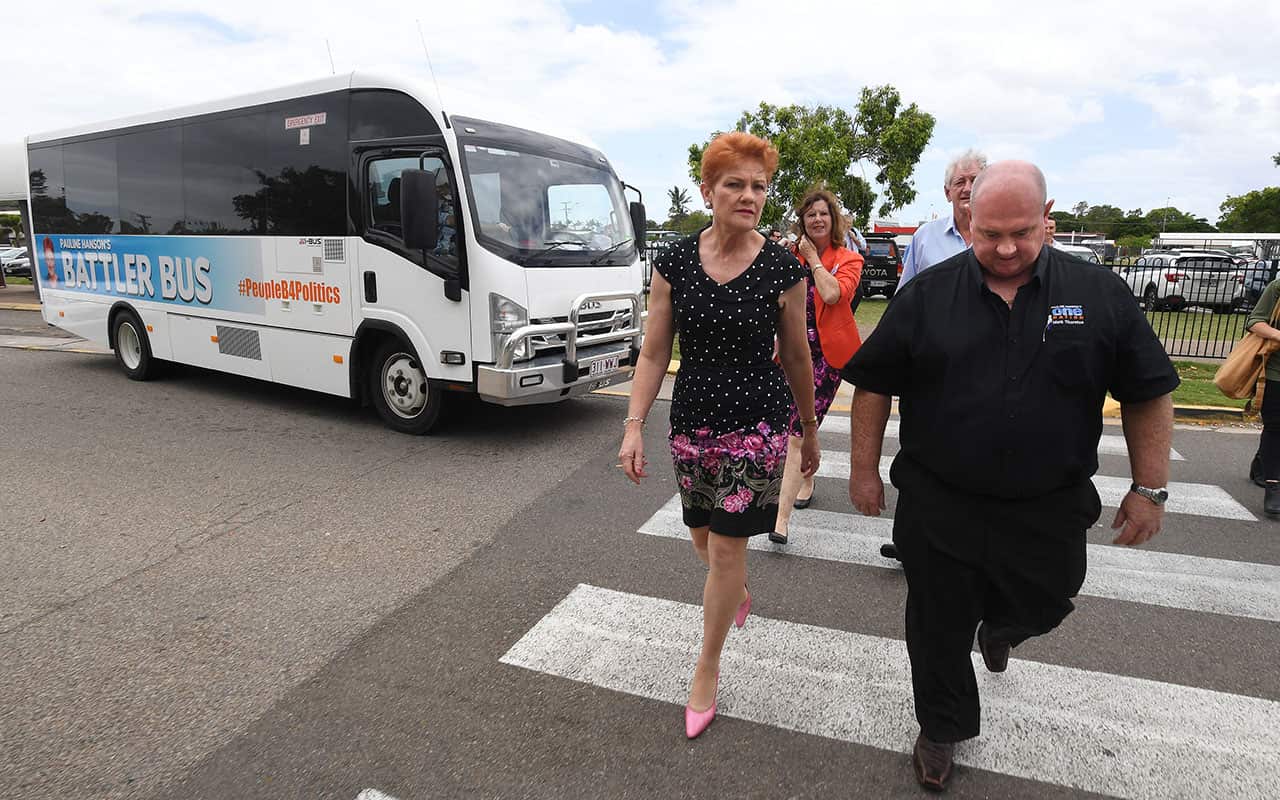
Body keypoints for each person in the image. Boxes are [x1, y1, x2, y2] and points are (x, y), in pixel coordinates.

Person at [843, 160, 1178, 792]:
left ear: (1047, 219)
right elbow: (872, 386)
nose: (1004, 248)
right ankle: (941, 729)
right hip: (941, 500)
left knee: (1048, 597)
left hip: (1048, 504)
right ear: (967, 221)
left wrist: (1149, 487)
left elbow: (1149, 392)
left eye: (1021, 232)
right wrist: (863, 470)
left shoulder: (1097, 293)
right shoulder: (927, 295)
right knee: (937, 623)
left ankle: (1002, 629)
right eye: (988, 232)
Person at [618, 131, 820, 740]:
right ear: (708, 191)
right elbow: (654, 353)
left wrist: (808, 431)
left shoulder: (785, 268)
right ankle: (734, 589)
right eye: (735, 184)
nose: (750, 195)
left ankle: (705, 669)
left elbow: (797, 360)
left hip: (757, 422)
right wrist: (633, 426)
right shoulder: (675, 262)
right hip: (694, 421)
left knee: (727, 551)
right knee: (703, 544)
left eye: (759, 186)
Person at [768, 188, 864, 544]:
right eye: (811, 215)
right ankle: (806, 477)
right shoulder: (787, 257)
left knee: (797, 431)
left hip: (826, 358)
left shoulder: (849, 260)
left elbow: (832, 295)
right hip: (790, 352)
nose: (817, 220)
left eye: (823, 214)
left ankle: (780, 518)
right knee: (797, 426)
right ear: (802, 221)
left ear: (833, 220)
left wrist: (814, 260)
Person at [897, 149, 987, 289]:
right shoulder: (924, 237)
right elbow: (904, 296)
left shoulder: (1000, 238)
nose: (968, 188)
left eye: (974, 181)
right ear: (947, 193)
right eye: (960, 182)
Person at [1243, 279, 1280, 514]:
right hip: (1276, 371)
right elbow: (1255, 322)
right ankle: (1274, 487)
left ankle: (1261, 462)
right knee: (1276, 427)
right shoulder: (1278, 287)